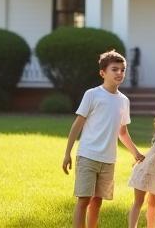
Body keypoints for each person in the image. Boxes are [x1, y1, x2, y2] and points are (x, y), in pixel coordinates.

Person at [62, 50, 145, 228]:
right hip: (88, 155)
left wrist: (136, 153)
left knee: (97, 202)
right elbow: (77, 124)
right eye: (114, 69)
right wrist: (67, 153)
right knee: (83, 200)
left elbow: (122, 132)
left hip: (108, 159)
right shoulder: (92, 94)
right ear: (102, 73)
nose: (119, 73)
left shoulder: (124, 101)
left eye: (122, 70)